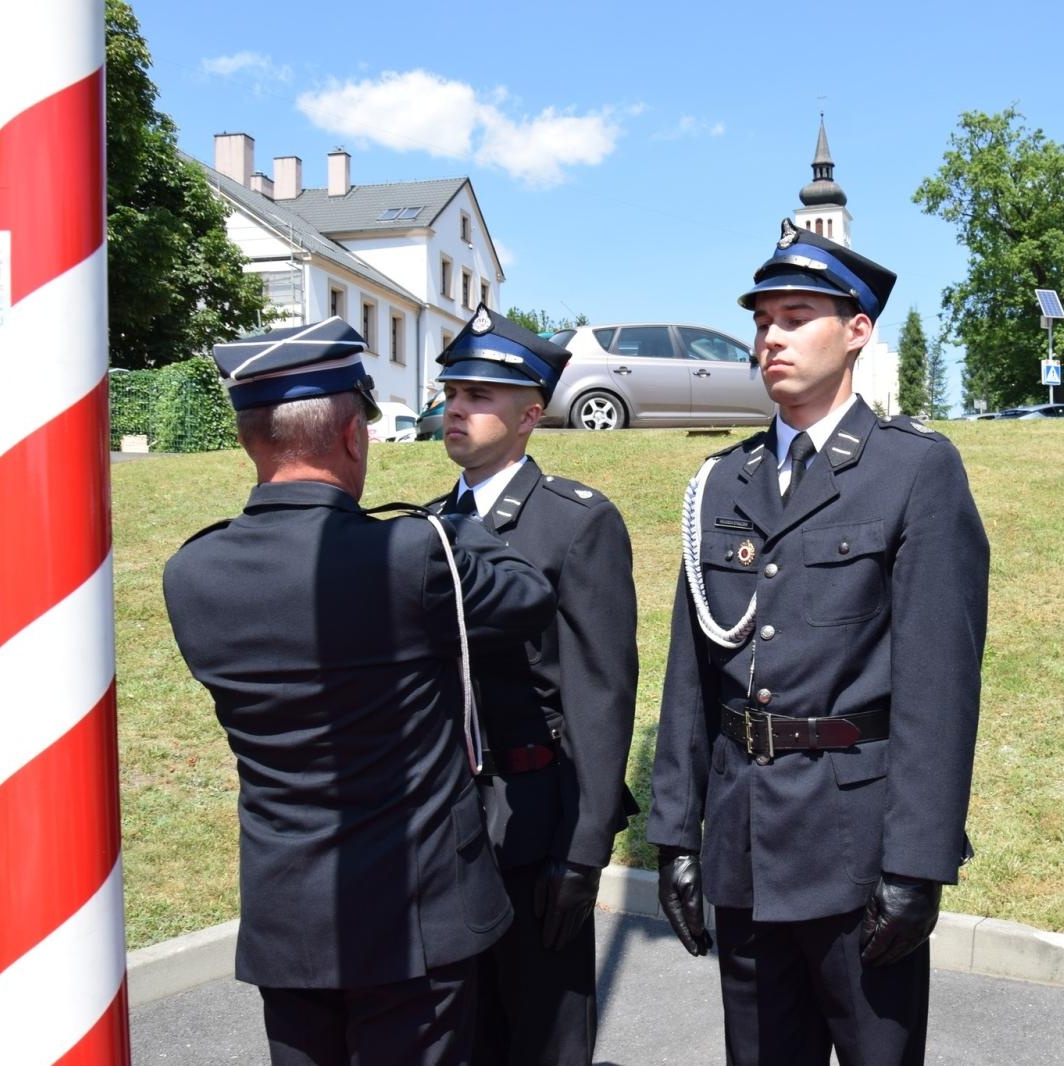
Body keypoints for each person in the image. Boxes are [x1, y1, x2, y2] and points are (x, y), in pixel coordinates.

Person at [163, 317, 555, 1065]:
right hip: (413, 922)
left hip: (289, 921)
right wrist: (453, 527)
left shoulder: (192, 574)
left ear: (253, 438)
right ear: (353, 435)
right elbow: (527, 595)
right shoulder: (413, 554)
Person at [648, 220, 990, 1066]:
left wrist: (918, 863)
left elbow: (939, 687)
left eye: (796, 316)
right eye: (763, 320)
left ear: (857, 332)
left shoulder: (913, 470)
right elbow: (691, 677)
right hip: (744, 840)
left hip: (857, 846)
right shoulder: (722, 480)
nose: (770, 337)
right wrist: (675, 836)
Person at [428, 305, 639, 1065]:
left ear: (530, 414)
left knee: (544, 1036)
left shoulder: (573, 523)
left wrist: (583, 852)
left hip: (535, 818)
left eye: (480, 396)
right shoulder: (421, 529)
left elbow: (602, 694)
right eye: (453, 391)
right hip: (447, 827)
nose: (457, 407)